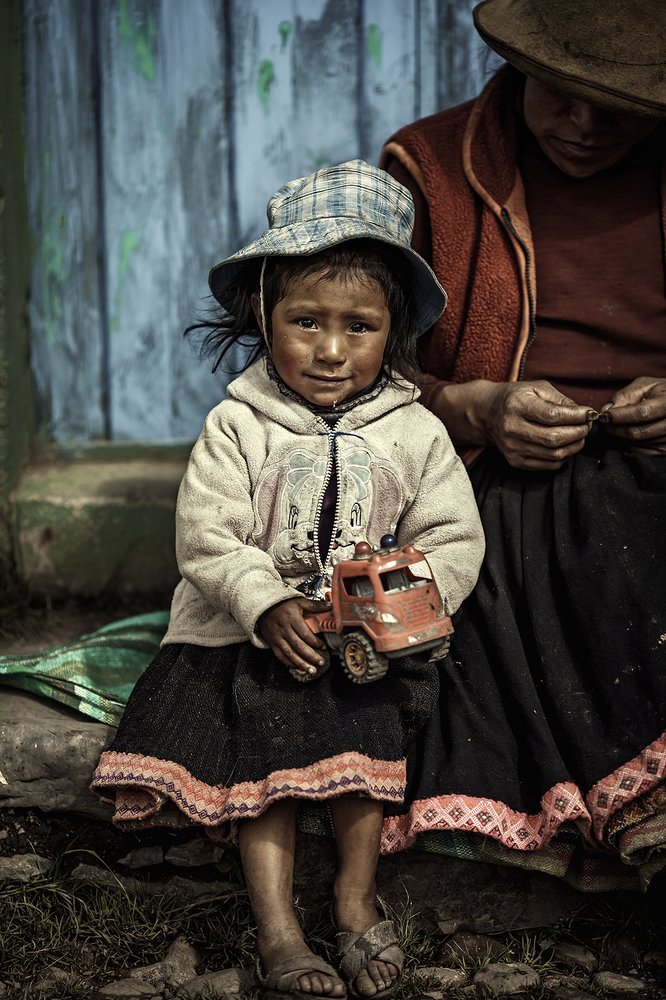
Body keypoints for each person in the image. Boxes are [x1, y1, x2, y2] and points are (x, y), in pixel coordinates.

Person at [91, 161, 485, 999]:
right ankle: (277, 928)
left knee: (365, 744)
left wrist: (407, 604)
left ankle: (353, 900)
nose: (332, 350)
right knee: (260, 762)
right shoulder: (237, 423)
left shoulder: (415, 433)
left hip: (363, 649)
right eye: (306, 321)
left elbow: (453, 535)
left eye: (359, 326)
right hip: (246, 640)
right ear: (264, 315)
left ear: (397, 331)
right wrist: (262, 600)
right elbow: (208, 533)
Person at [379, 0, 666, 889]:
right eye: (563, 96)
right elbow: (342, 371)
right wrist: (471, 407)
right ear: (520, 69)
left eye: (616, 105)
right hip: (499, 480)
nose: (585, 126)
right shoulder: (429, 171)